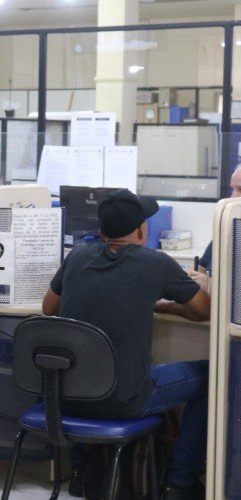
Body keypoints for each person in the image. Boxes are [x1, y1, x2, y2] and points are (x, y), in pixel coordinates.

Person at [41, 189, 211, 499]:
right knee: (212, 377)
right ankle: (180, 482)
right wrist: (162, 303)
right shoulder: (156, 263)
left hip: (63, 396)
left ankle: (80, 474)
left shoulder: (77, 256)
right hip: (124, 401)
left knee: (90, 373)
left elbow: (48, 308)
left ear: (102, 231)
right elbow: (204, 311)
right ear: (142, 230)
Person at [198, 164, 241, 275]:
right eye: (233, 189)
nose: (233, 196)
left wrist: (210, 284)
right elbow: (201, 268)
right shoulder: (226, 234)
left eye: (240, 189)